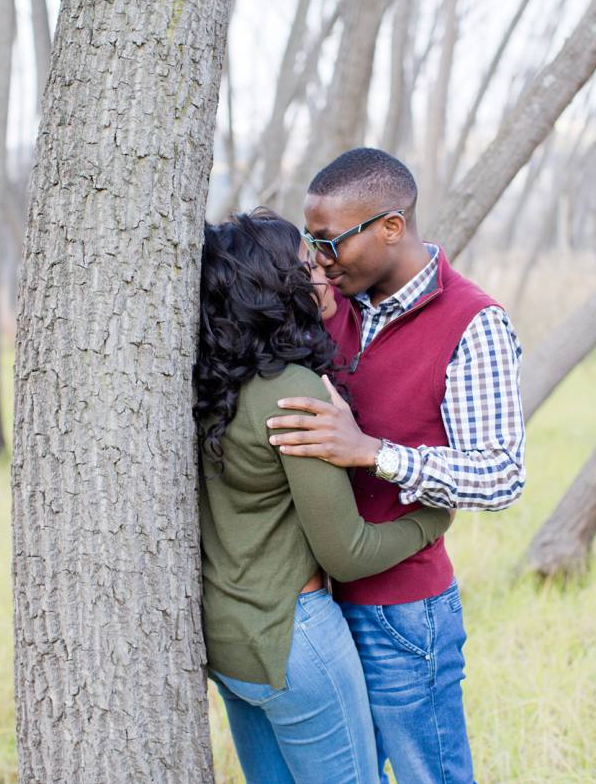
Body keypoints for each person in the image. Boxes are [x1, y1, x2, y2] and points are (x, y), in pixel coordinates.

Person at [267, 148, 526, 783]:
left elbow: (500, 474)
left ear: (390, 226)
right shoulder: (337, 309)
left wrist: (371, 453)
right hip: (316, 612)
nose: (320, 260)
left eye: (331, 243)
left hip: (405, 617)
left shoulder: (473, 323)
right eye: (312, 242)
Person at [195, 208, 453, 784]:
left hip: (227, 644)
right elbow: (348, 553)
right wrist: (431, 518)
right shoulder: (293, 392)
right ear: (273, 287)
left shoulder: (210, 382)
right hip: (294, 641)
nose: (319, 270)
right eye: (302, 263)